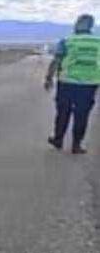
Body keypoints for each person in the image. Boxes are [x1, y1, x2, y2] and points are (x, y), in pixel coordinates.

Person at [45, 14, 100, 154]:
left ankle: (58, 139)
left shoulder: (67, 41)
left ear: (79, 24)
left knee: (63, 112)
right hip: (89, 83)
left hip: (67, 82)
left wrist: (48, 78)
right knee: (82, 114)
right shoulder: (97, 42)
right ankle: (77, 145)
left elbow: (56, 60)